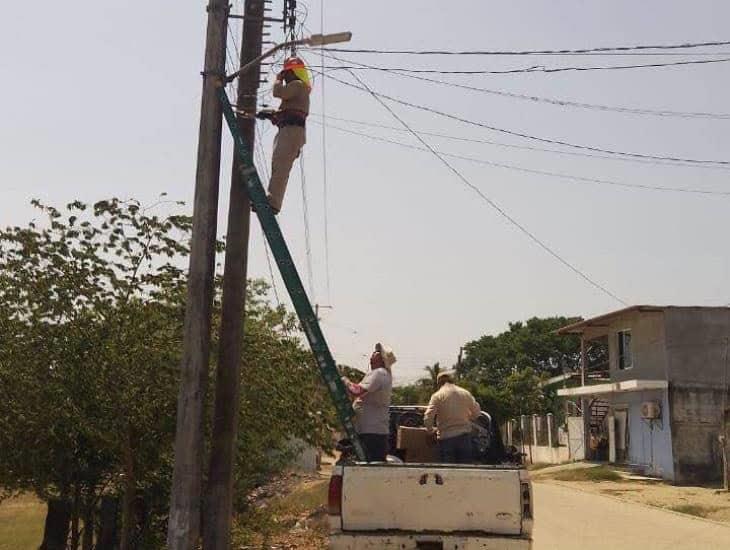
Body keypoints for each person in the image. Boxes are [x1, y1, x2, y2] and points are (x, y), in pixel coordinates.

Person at [256, 56, 311, 214]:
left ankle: (273, 202)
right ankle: (272, 200)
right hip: (288, 130)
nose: (284, 76)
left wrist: (277, 80)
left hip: (291, 132)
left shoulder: (298, 85)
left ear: (292, 72)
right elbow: (288, 113)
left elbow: (278, 92)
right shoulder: (298, 90)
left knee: (281, 167)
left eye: (286, 73)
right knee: (278, 165)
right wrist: (271, 115)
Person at [342, 343, 396, 461]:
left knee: (369, 468)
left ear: (381, 358)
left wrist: (346, 381)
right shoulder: (382, 374)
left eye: (376, 353)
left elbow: (357, 391)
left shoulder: (379, 373)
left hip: (371, 432)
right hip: (373, 431)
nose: (372, 355)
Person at [424, 371, 481, 464]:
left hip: (446, 439)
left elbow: (428, 417)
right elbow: (477, 413)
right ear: (452, 380)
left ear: (438, 383)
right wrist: (466, 419)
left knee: (448, 473)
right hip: (464, 439)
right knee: (465, 471)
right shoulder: (465, 393)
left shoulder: (437, 396)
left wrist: (430, 431)